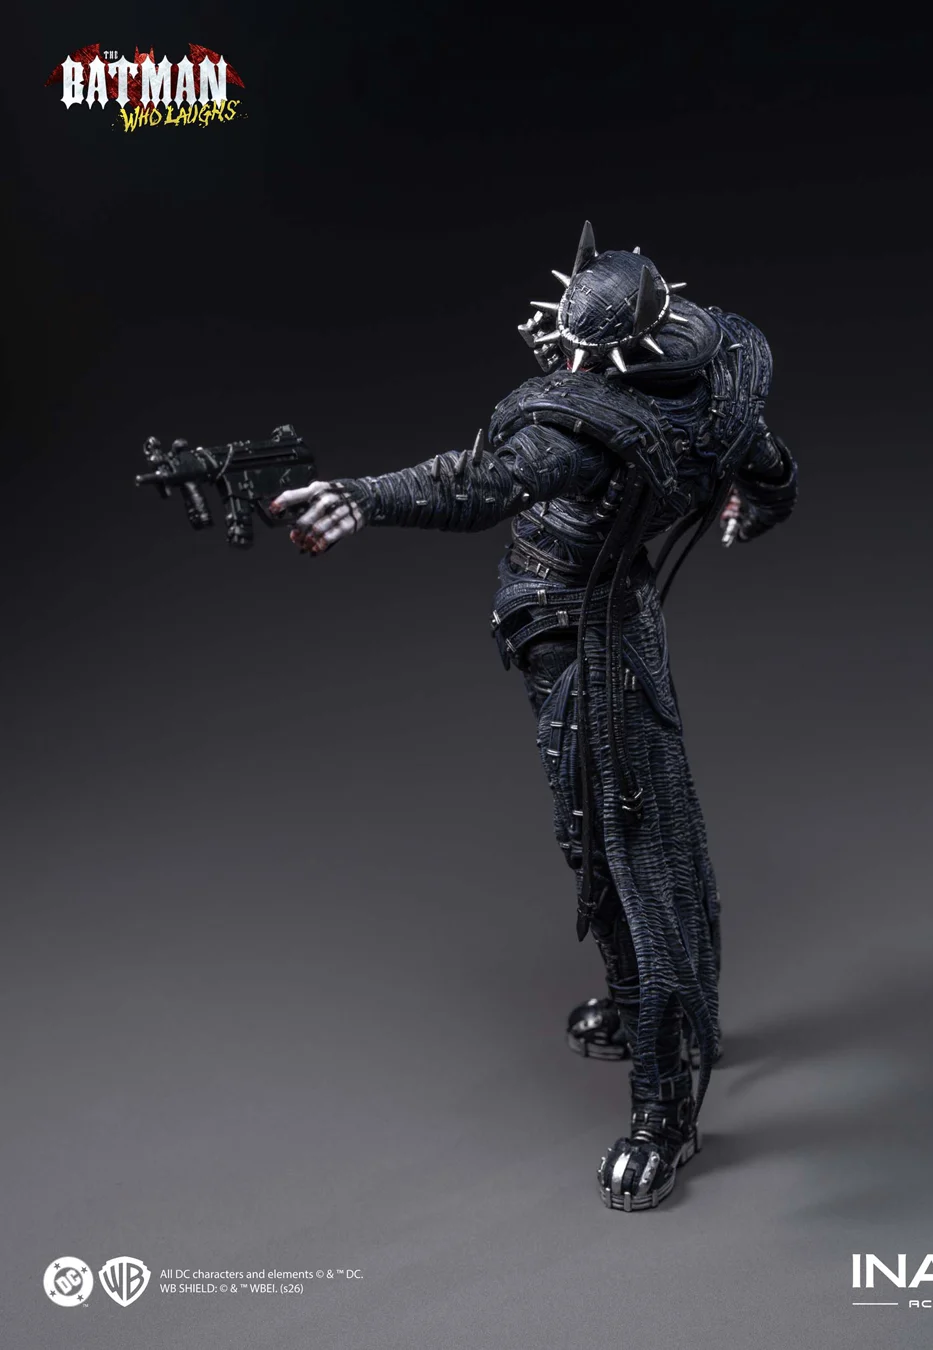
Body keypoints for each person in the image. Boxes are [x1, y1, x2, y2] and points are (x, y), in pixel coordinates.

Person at [270, 223, 798, 1210]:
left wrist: (360, 496)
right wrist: (751, 503)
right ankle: (652, 1009)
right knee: (619, 833)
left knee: (633, 853)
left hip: (586, 635)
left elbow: (476, 484)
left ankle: (665, 1106)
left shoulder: (582, 431)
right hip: (596, 619)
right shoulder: (716, 377)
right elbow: (767, 466)